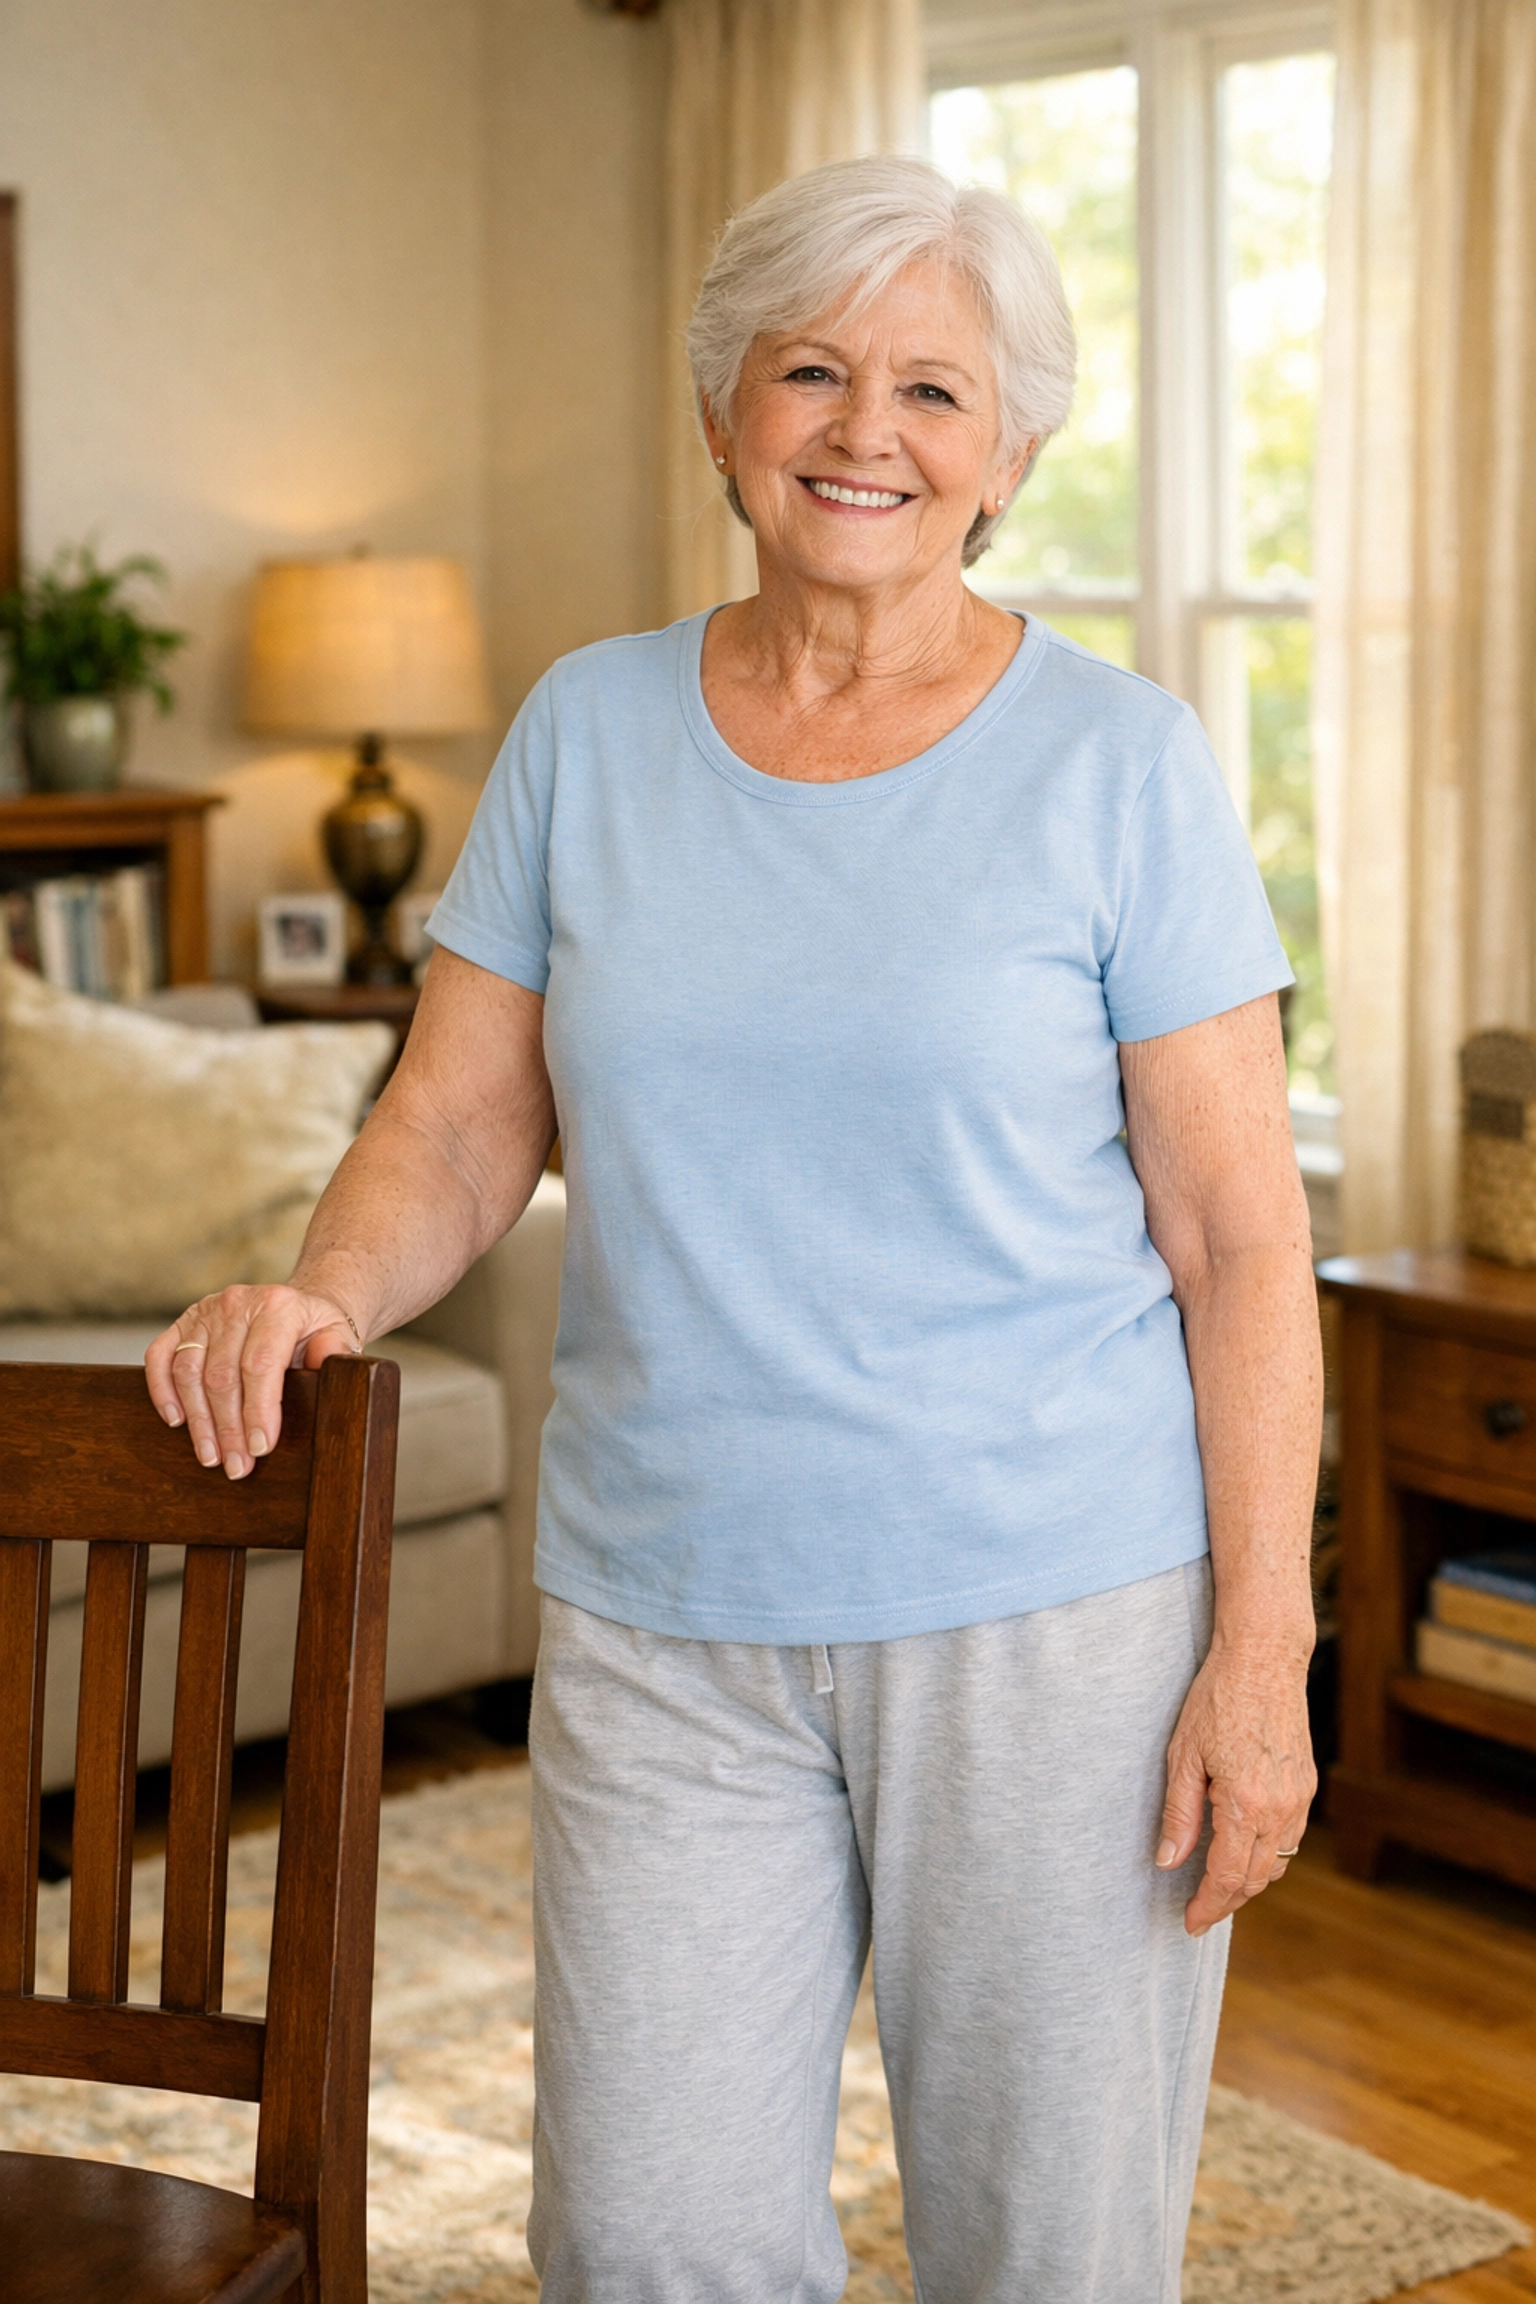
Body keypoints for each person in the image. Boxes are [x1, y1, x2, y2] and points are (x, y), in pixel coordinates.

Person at [147, 153, 1321, 2304]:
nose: (866, 431)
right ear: (723, 415)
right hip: (668, 1617)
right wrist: (319, 1289)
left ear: (1010, 456)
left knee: (1045, 2258)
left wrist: (1265, 1653)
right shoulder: (587, 732)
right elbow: (463, 1119)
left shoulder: (1122, 768)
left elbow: (1243, 1245)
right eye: (811, 372)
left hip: (1051, 1625)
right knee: (643, 2241)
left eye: (934, 392)